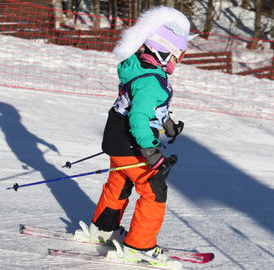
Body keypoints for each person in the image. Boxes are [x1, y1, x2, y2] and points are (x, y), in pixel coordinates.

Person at [89, 6, 191, 265]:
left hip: (115, 139)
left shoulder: (137, 69)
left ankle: (102, 229)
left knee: (120, 182)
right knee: (154, 190)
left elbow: (146, 108)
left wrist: (168, 126)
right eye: (178, 57)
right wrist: (150, 151)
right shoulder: (152, 82)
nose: (177, 63)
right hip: (132, 143)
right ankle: (140, 246)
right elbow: (138, 119)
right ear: (163, 52)